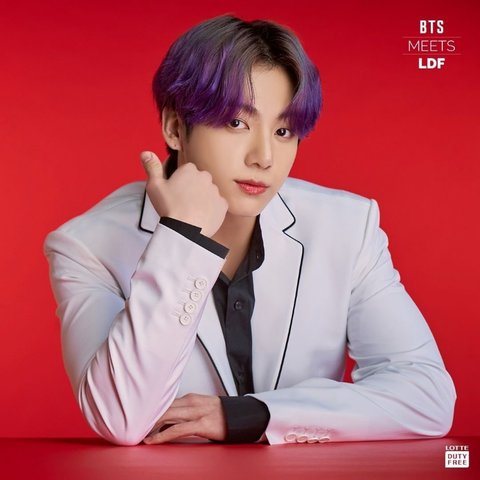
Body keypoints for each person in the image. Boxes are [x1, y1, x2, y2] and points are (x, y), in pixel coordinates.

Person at [44, 15, 456, 446]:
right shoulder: (86, 246)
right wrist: (181, 237)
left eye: (283, 131)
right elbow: (119, 417)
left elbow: (426, 395)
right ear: (175, 127)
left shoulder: (347, 228)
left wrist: (256, 415)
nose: (264, 157)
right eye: (237, 123)